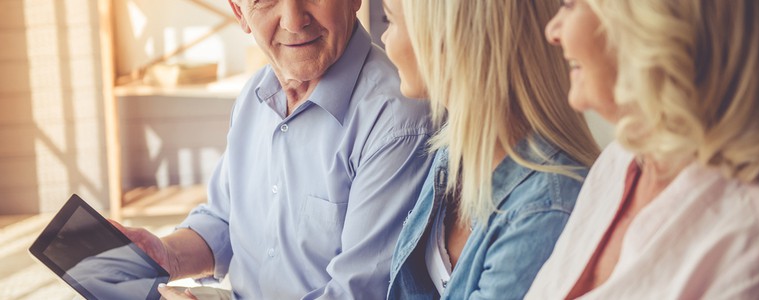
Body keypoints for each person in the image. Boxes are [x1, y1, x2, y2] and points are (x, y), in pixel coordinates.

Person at [114, 0, 436, 298]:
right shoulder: (255, 94)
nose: (294, 21)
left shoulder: (397, 122)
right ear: (240, 13)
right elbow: (223, 220)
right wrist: (163, 255)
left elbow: (356, 295)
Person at [526, 0, 759, 298]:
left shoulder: (755, 243)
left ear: (649, 21)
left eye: (569, 5)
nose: (552, 30)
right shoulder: (619, 160)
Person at [380, 0, 601, 298]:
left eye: (389, 21)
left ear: (445, 39)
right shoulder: (454, 154)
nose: (383, 38)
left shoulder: (545, 206)